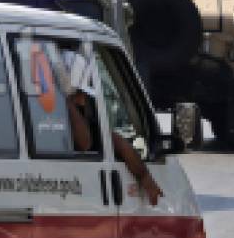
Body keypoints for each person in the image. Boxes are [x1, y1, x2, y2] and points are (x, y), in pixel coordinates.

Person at [60, 46, 164, 206]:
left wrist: (145, 178)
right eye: (79, 95)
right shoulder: (50, 122)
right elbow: (83, 143)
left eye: (84, 96)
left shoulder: (90, 125)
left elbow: (121, 145)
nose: (83, 101)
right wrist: (65, 102)